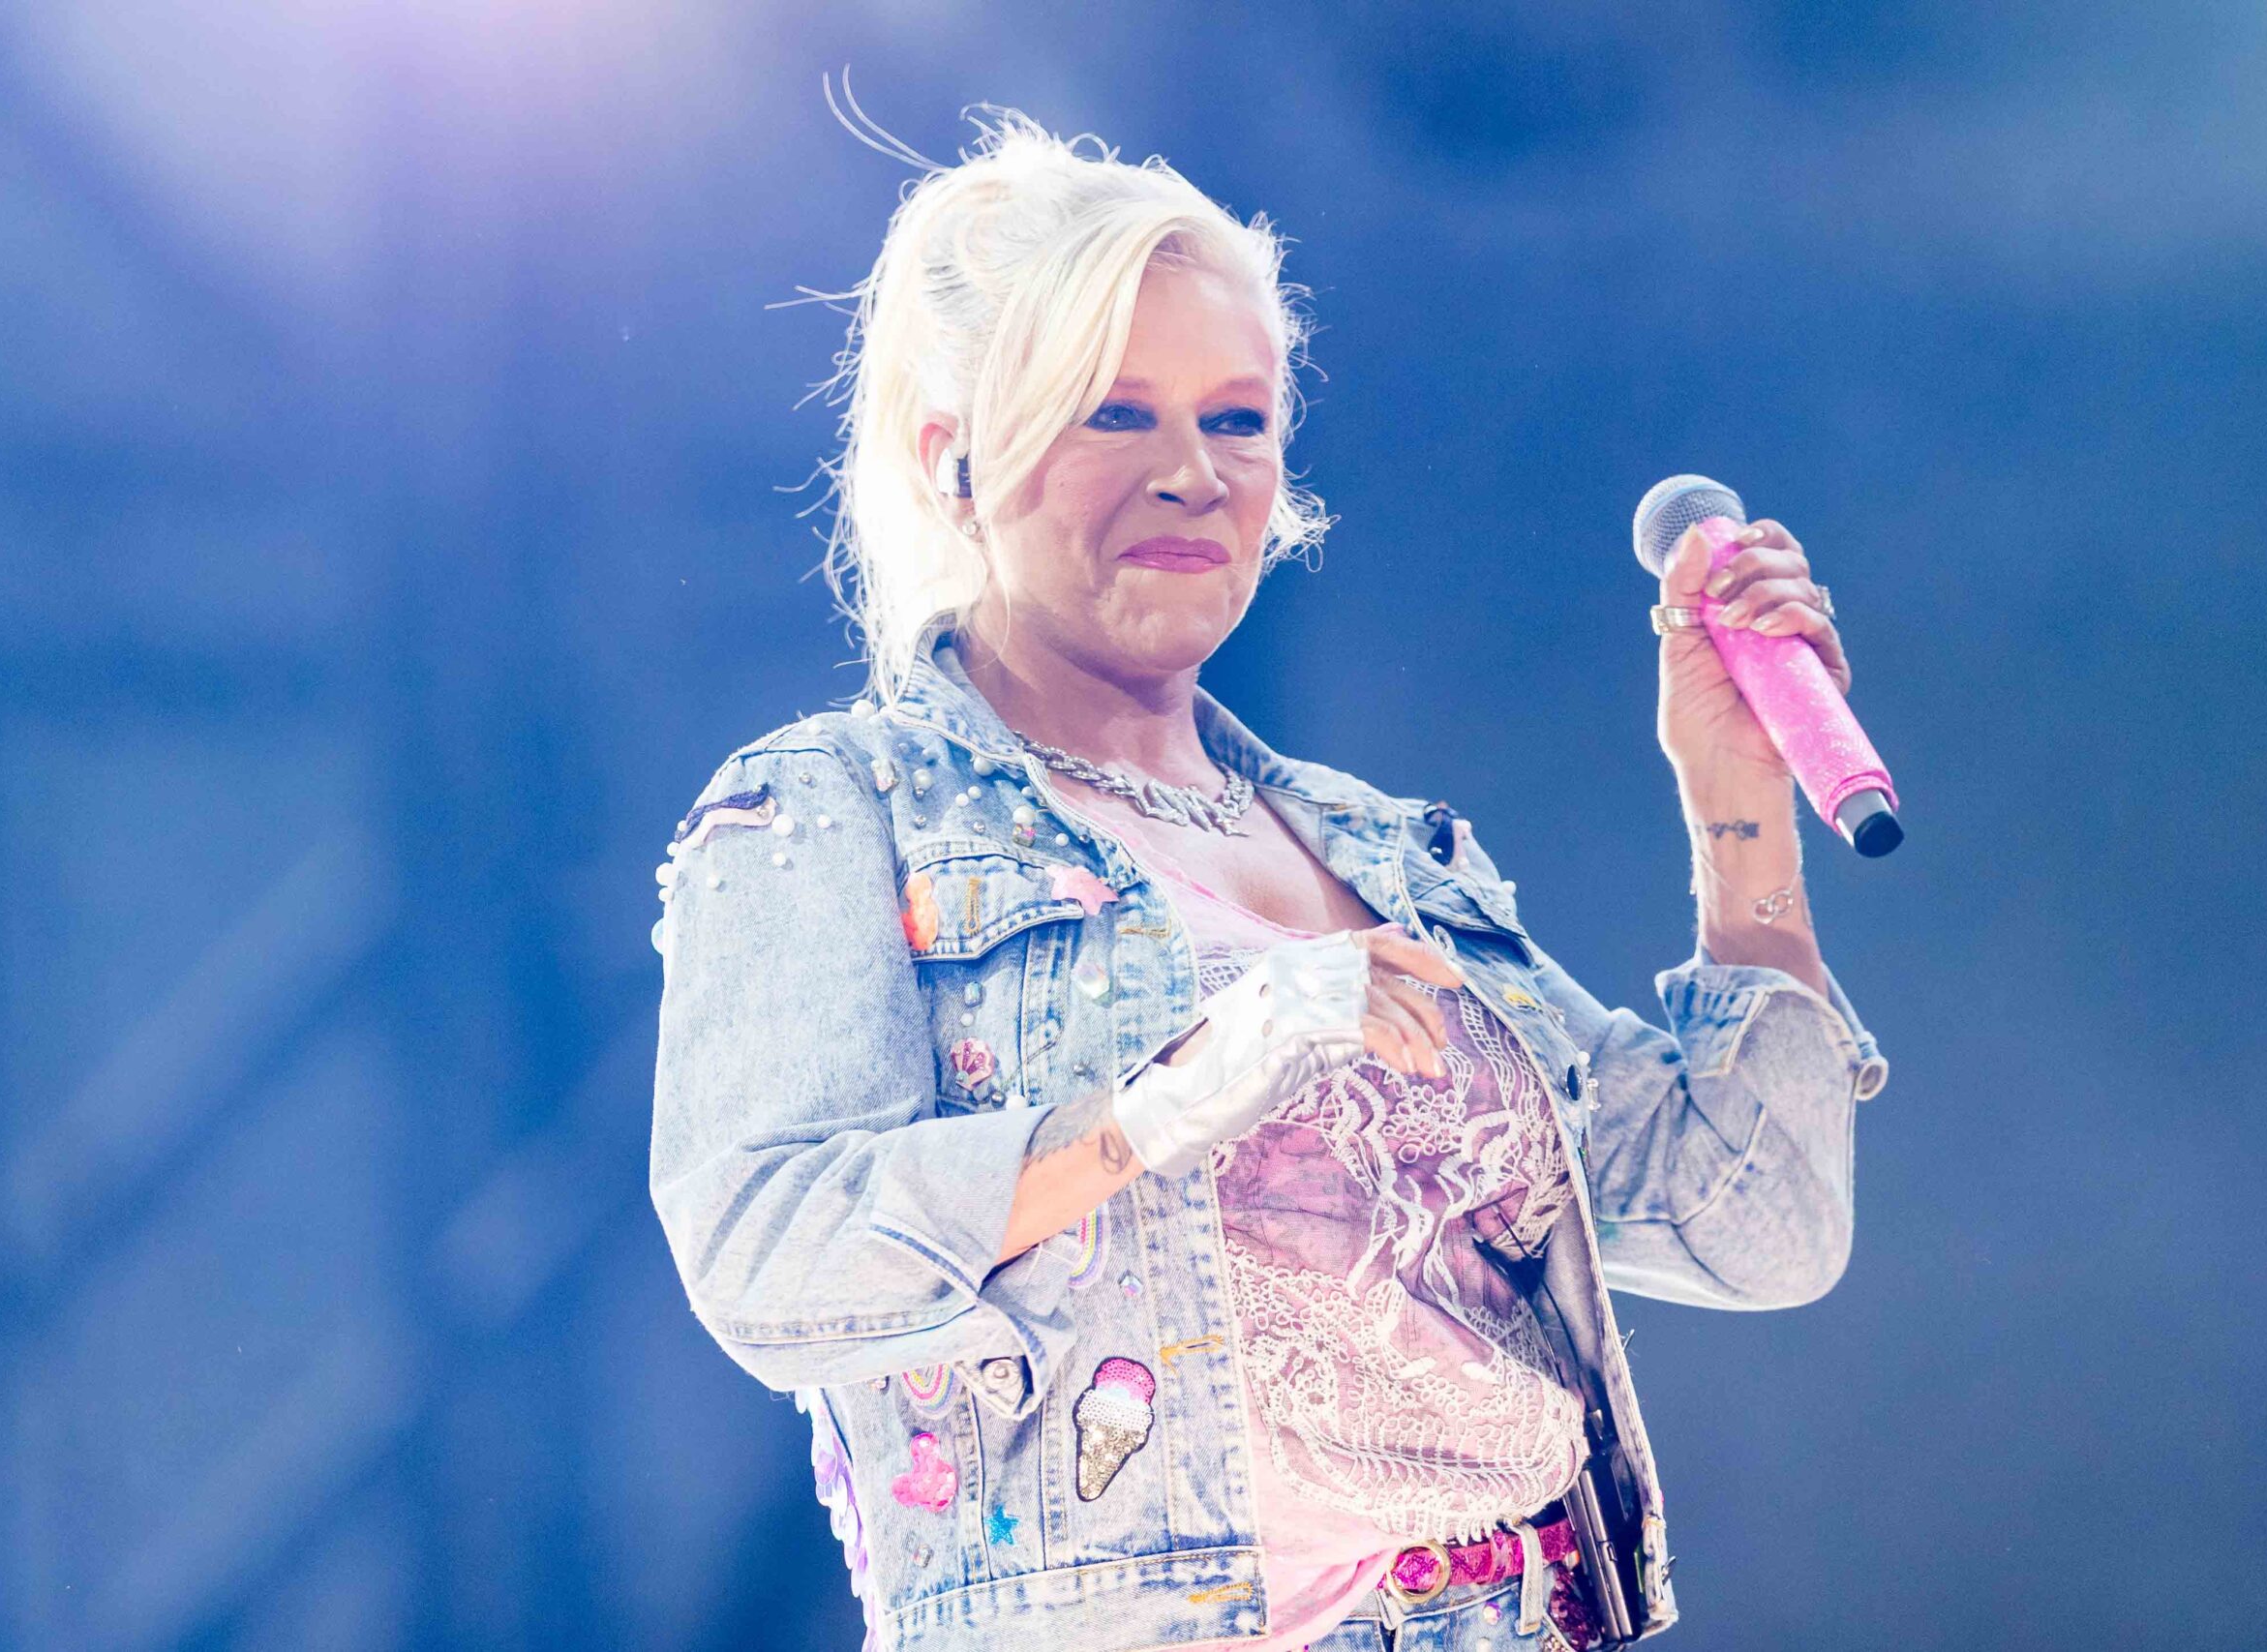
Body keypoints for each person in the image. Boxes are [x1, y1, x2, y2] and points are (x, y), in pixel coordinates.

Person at [648, 103, 1890, 1652]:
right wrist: (1163, 1101)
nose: (1192, 473)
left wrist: (1737, 803)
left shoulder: (1386, 853)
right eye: (1113, 413)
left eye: (1235, 422)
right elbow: (767, 1254)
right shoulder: (837, 807)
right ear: (951, 458)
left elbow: (1759, 1224)